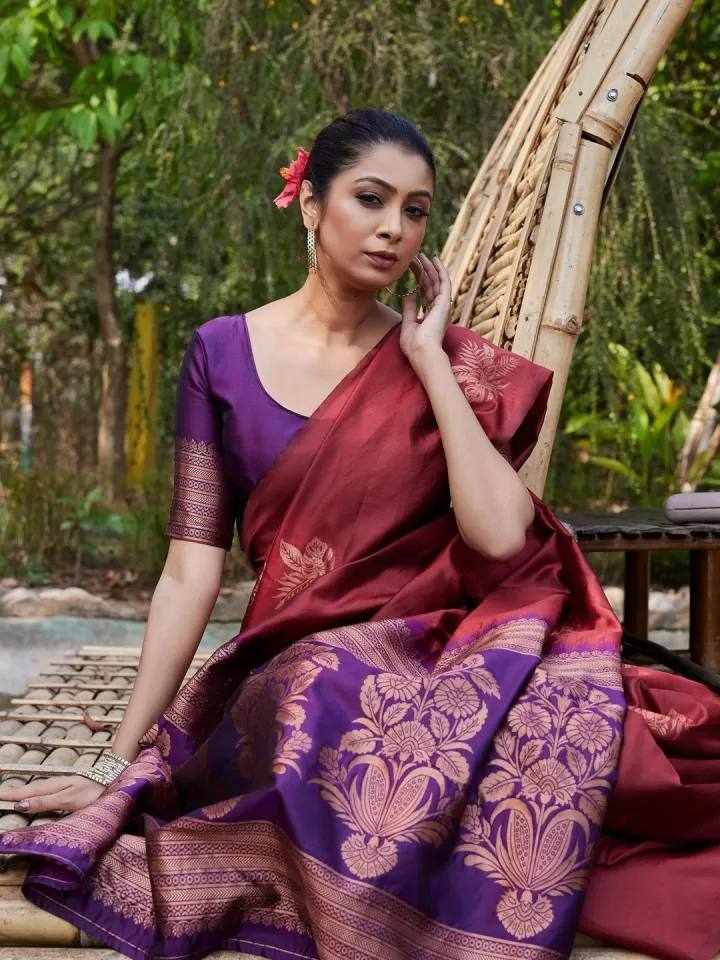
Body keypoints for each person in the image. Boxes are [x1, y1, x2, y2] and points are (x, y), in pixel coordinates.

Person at [0, 108, 718, 960]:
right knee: (325, 681)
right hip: (297, 662)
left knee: (591, 737)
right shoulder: (221, 354)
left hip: (441, 650)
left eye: (415, 211)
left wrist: (430, 363)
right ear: (310, 203)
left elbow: (498, 537)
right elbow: (190, 572)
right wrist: (117, 760)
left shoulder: (450, 362)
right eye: (370, 199)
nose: (393, 228)